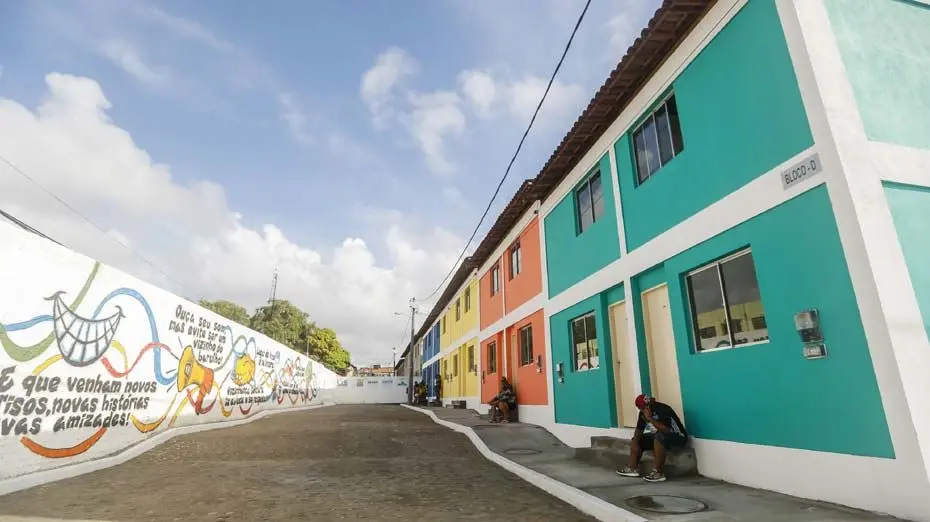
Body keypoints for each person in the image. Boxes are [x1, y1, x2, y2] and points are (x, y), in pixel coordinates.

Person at [616, 394, 688, 483]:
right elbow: (639, 429)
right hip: (662, 436)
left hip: (678, 437)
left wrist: (650, 419)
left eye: (645, 407)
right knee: (638, 439)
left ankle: (658, 473)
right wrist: (635, 442)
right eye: (641, 408)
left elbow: (666, 431)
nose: (643, 410)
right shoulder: (642, 413)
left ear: (650, 403)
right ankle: (632, 468)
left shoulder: (663, 409)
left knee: (659, 436)